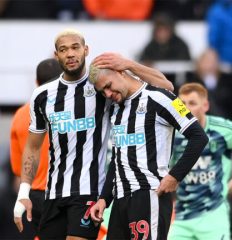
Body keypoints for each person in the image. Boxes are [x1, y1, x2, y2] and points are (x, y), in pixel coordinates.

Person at [13, 29, 173, 239]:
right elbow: (33, 146)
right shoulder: (42, 95)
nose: (70, 54)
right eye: (63, 49)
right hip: (53, 193)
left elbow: (166, 87)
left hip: (89, 192)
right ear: (56, 55)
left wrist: (130, 65)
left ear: (86, 50)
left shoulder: (101, 86)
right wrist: (23, 192)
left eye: (75, 47)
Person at [88, 63, 209, 240]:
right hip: (121, 199)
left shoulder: (161, 97)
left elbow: (199, 137)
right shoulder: (116, 108)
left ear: (121, 73)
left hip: (149, 194)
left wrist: (175, 176)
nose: (107, 94)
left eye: (108, 86)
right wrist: (104, 199)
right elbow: (118, 157)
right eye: (102, 91)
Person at [167, 83, 232, 240]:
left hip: (213, 213)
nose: (186, 109)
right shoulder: (172, 133)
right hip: (182, 215)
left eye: (192, 103)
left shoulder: (222, 129)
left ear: (206, 106)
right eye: (182, 104)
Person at [10, 58, 62, 236]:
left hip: (35, 196)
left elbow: (18, 169)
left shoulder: (20, 115)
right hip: (68, 193)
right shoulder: (74, 110)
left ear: (36, 82)